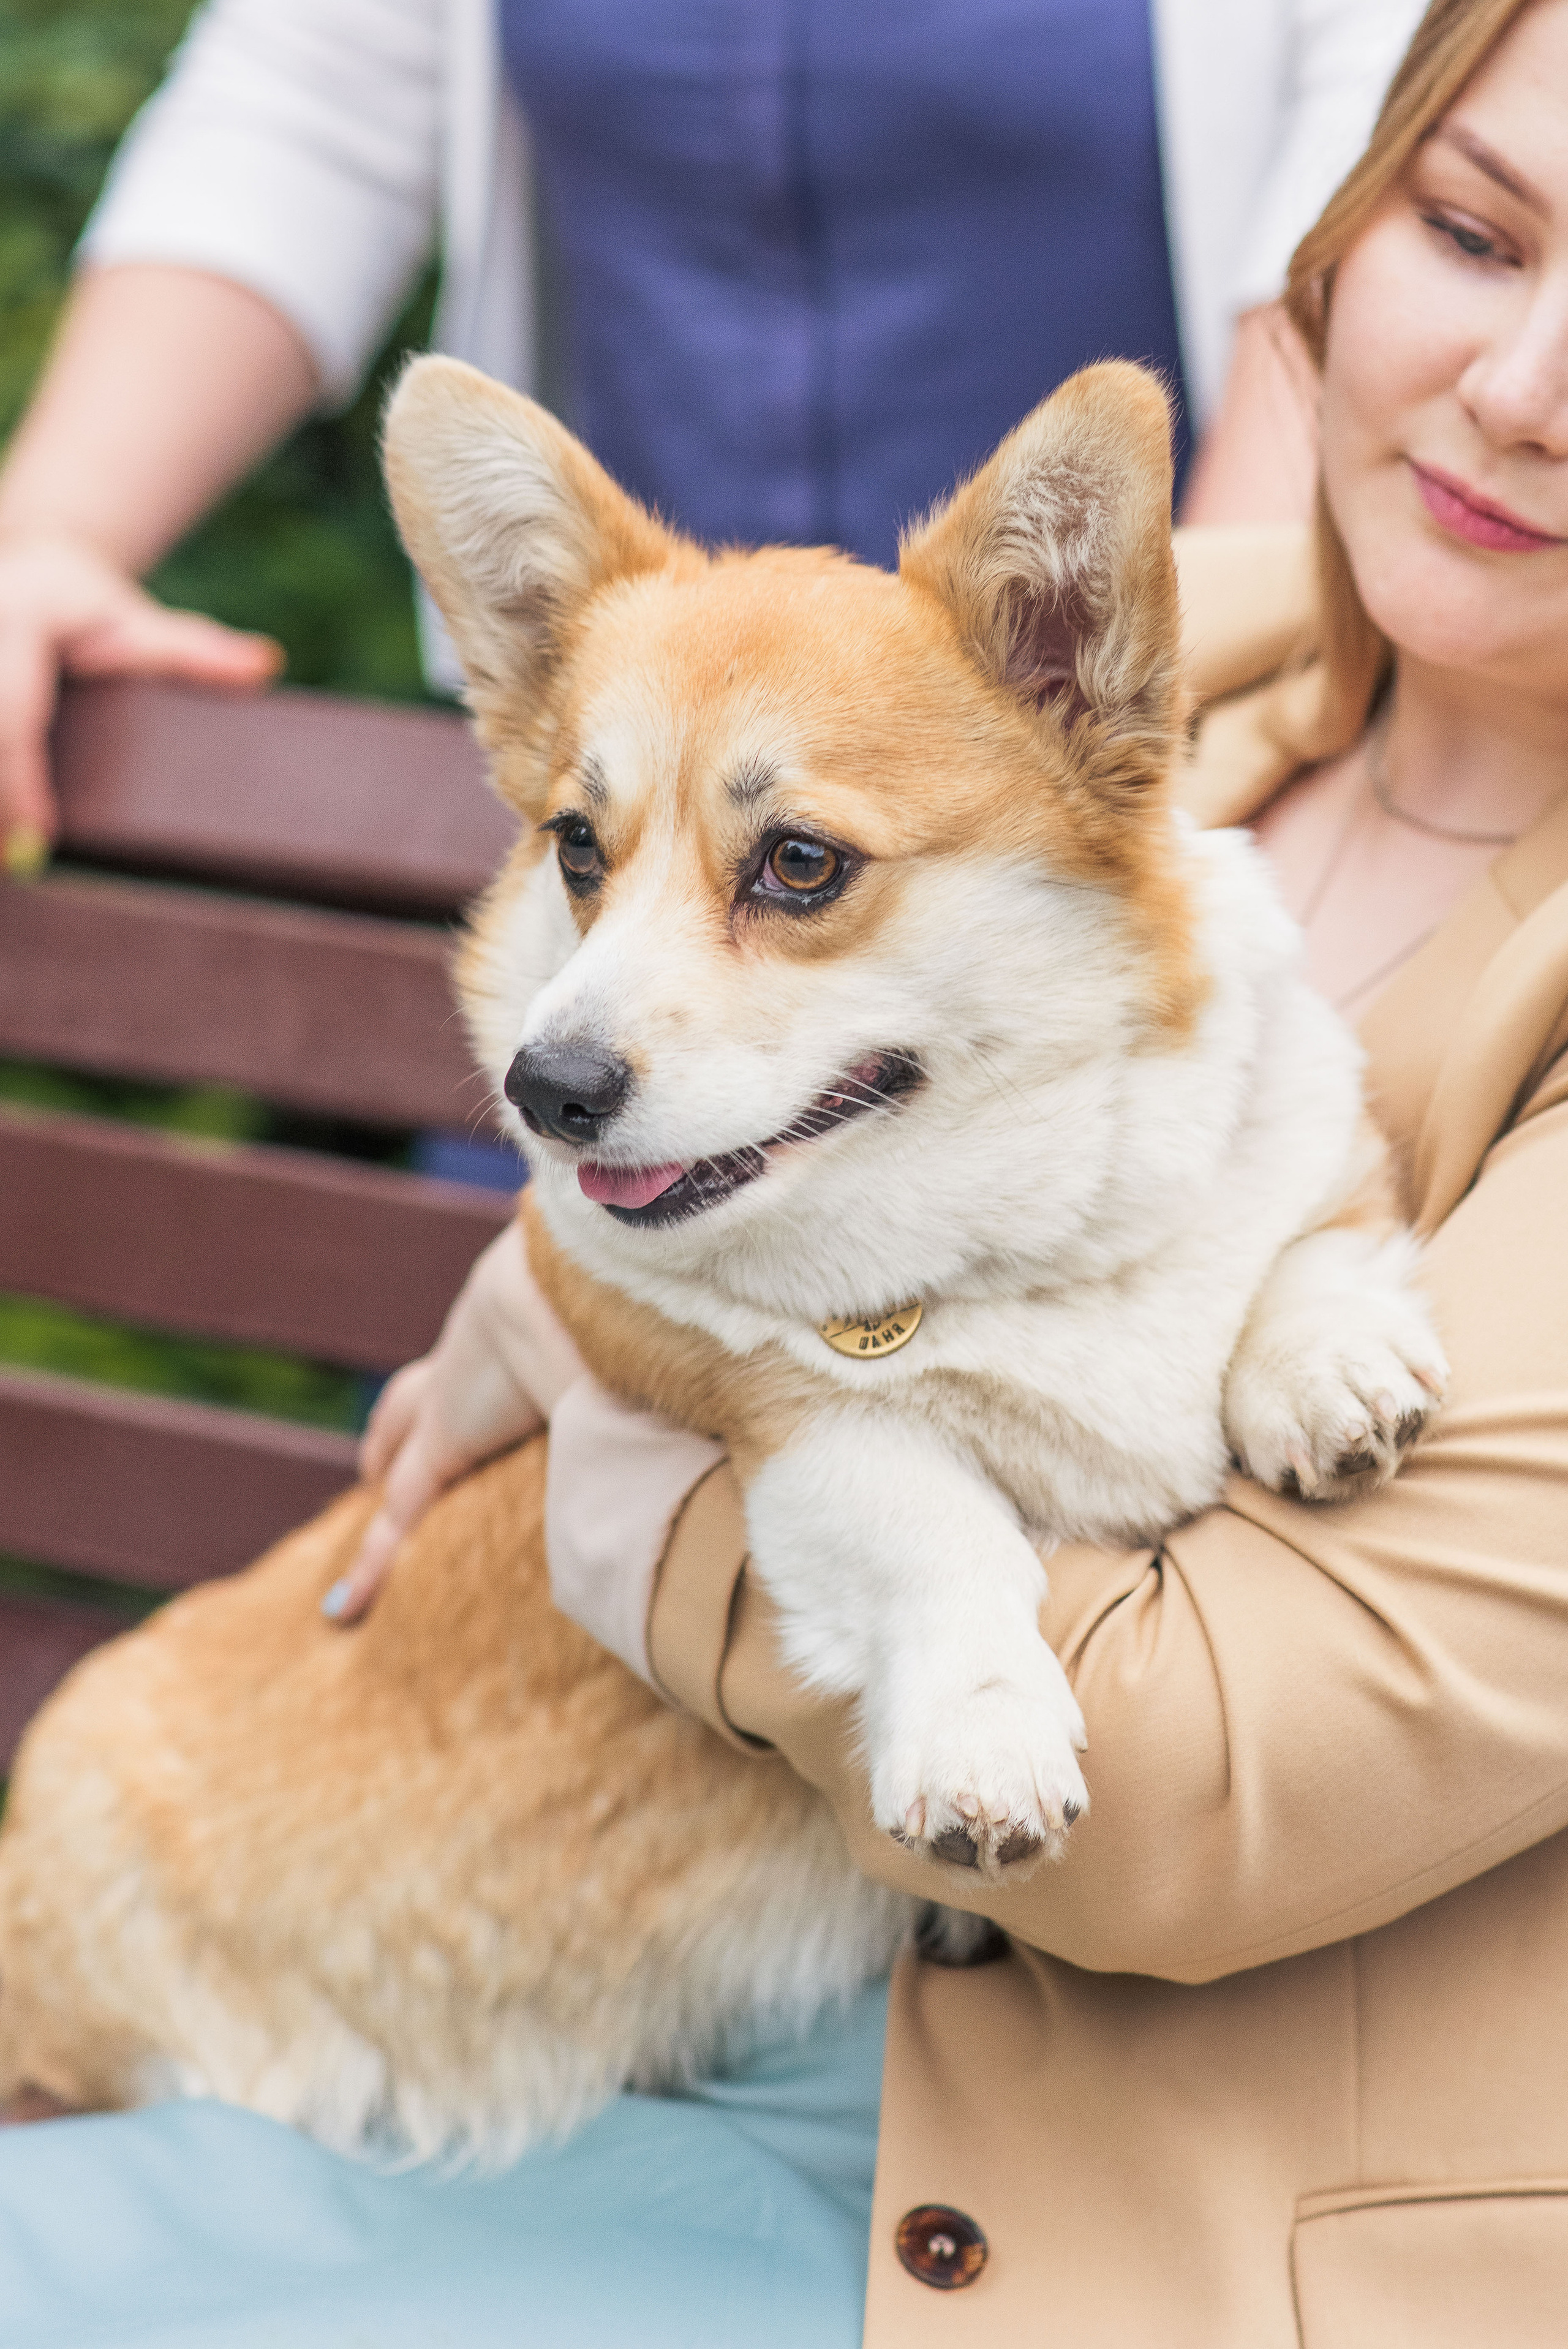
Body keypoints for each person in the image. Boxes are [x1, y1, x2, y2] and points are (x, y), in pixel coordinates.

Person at [326, 0, 1568, 2339]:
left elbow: (1191, 1795)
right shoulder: (1187, 672)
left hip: (1174, 2209)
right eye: (1471, 226)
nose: (1520, 385)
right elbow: (664, 1072)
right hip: (729, 2035)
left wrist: (625, 1441)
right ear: (1338, 222)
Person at [0, 0, 1423, 869]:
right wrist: (46, 537)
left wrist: (1159, 796)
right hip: (620, 836)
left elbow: (1344, 284)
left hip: (1056, 822)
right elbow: (302, 110)